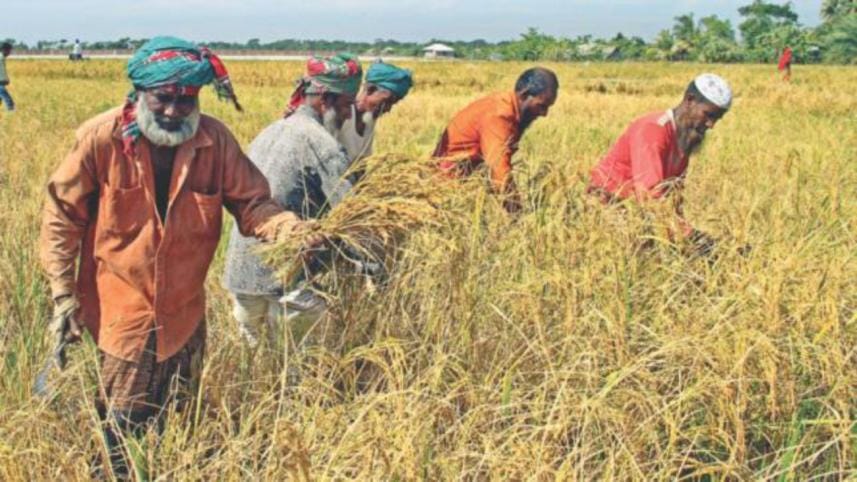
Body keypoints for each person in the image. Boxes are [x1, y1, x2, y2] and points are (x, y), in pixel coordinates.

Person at [39, 36, 308, 477]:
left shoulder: (214, 140)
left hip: (184, 313)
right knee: (122, 427)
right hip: (120, 310)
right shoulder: (100, 139)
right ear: (141, 93)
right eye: (163, 98)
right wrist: (62, 293)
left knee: (178, 418)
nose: (173, 111)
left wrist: (288, 228)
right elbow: (60, 218)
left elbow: (253, 202)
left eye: (186, 101)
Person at [223, 53, 363, 348]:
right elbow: (352, 212)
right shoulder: (322, 143)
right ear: (324, 99)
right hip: (285, 277)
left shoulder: (272, 129)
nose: (349, 115)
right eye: (346, 105)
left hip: (242, 272)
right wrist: (374, 264)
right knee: (295, 367)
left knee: (253, 363)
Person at [587, 73, 732, 253]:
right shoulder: (653, 130)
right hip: (607, 208)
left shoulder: (685, 137)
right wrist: (691, 236)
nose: (711, 125)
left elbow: (671, 197)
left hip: (637, 212)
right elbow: (649, 195)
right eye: (708, 115)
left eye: (717, 118)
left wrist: (684, 235)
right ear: (690, 100)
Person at [433, 67, 558, 213]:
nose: (544, 114)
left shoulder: (510, 110)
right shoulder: (499, 115)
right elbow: (499, 171)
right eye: (541, 106)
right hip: (446, 186)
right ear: (524, 95)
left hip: (464, 183)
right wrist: (518, 216)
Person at [336, 60, 413, 176]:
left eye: (392, 104)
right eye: (386, 102)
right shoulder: (342, 116)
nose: (387, 109)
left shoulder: (369, 121)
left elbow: (360, 167)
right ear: (370, 89)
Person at [0, 42, 15, 112]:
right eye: (9, 50)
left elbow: (2, 71)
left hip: (1, 82)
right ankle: (11, 113)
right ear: (4, 50)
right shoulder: (0, 58)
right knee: (8, 100)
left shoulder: (2, 58)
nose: (10, 52)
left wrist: (6, 79)